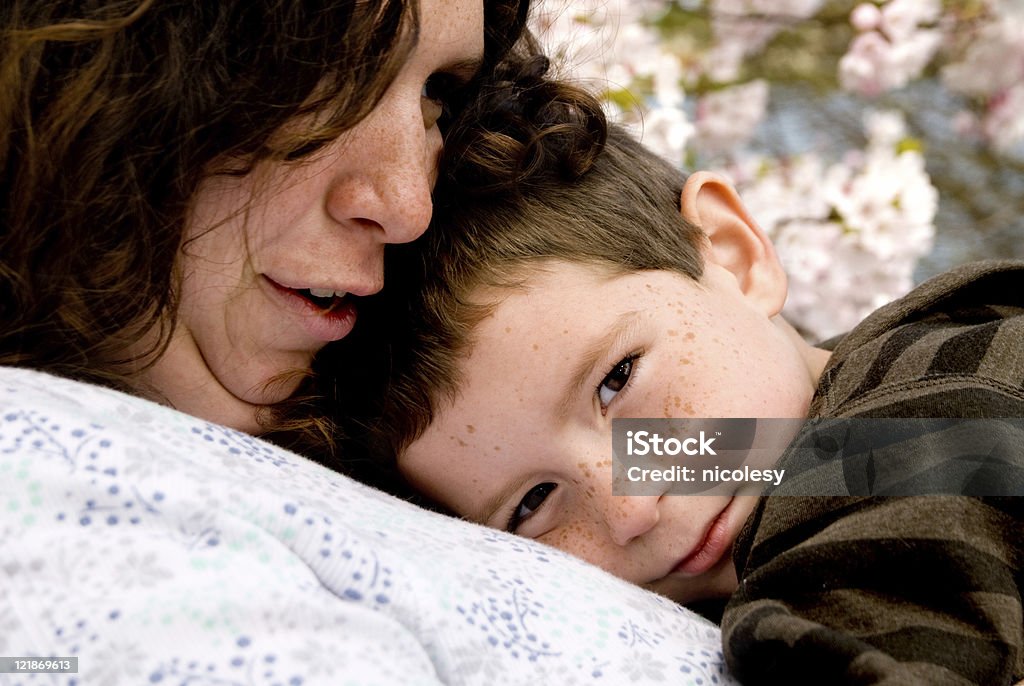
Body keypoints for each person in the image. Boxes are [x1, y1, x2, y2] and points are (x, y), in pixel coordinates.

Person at [2, 3, 745, 684]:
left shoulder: (836, 432)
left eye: (437, 95)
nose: (407, 205)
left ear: (736, 253)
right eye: (325, 80)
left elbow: (843, 453)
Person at [333, 73, 1024, 684]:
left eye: (616, 380)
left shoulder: (932, 401)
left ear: (732, 254)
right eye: (532, 503)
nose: (630, 506)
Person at [0, 0, 527, 434]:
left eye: (436, 91)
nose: (410, 209)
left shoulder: (479, 269)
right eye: (319, 66)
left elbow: (608, 490)